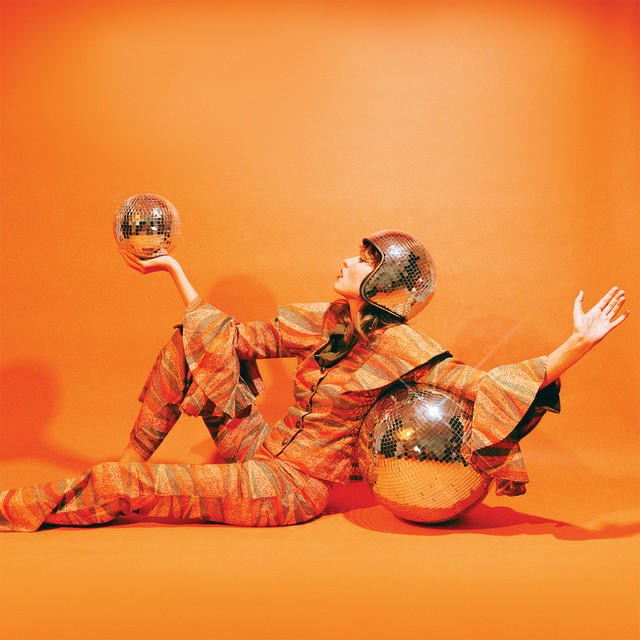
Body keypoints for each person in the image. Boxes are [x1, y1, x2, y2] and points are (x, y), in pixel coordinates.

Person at [0, 230, 629, 532]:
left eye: (364, 260)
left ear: (383, 282)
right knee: (185, 340)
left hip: (287, 487)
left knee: (124, 487)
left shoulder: (404, 350)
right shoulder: (325, 321)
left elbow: (482, 385)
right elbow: (228, 338)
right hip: (261, 446)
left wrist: (578, 342)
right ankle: (129, 458)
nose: (348, 260)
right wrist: (173, 269)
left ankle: (19, 506)